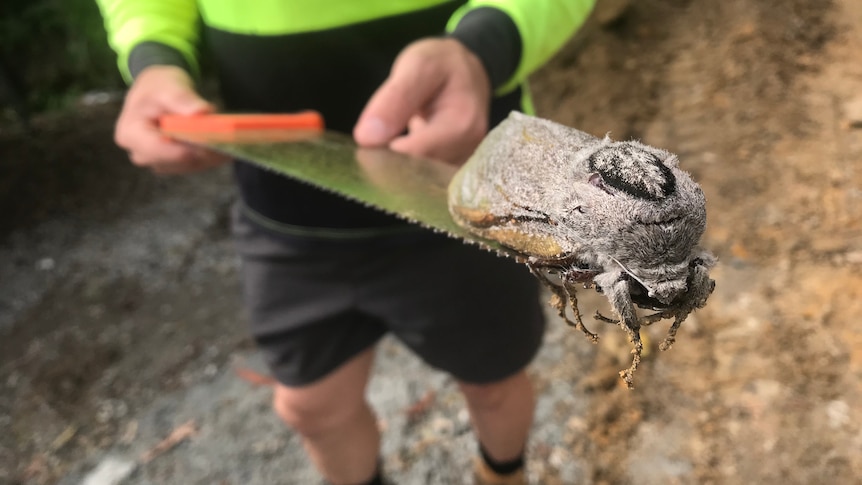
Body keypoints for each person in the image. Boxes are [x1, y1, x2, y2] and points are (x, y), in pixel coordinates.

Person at [96, 1, 595, 483]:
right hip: (285, 211)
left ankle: (503, 474)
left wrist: (483, 48)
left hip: (462, 193)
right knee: (312, 408)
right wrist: (154, 58)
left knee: (494, 381)